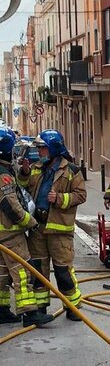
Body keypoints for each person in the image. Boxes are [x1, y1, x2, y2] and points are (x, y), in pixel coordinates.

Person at [18, 129, 87, 321]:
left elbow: (81, 195)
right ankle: (41, 308)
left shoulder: (72, 171)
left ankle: (73, 307)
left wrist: (60, 198)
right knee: (38, 271)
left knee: (63, 271)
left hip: (59, 230)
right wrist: (24, 173)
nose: (39, 152)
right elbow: (24, 186)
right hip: (38, 228)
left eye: (42, 148)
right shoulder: (36, 168)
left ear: (53, 149)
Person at [0, 128, 53, 327]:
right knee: (23, 272)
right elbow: (12, 206)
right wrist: (31, 223)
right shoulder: (3, 176)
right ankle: (30, 312)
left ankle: (2, 310)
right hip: (10, 234)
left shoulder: (4, 170)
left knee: (2, 273)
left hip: (2, 235)